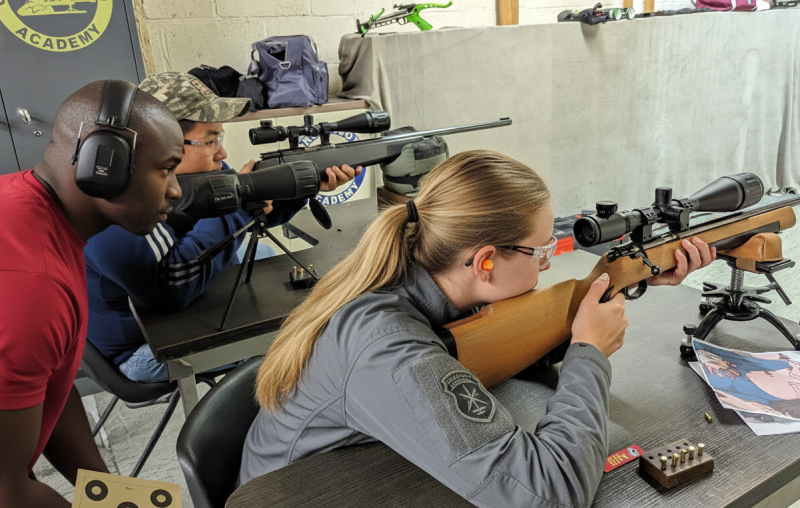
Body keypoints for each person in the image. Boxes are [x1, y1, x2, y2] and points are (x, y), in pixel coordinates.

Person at [238, 150, 716, 505]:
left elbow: (500, 341)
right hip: (307, 492)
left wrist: (620, 281)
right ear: (485, 261)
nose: (547, 267)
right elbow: (550, 492)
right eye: (542, 251)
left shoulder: (416, 269)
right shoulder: (388, 346)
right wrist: (588, 352)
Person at [84, 72, 361, 382]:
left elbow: (256, 217)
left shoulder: (204, 171)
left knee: (272, 265)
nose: (222, 153)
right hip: (143, 348)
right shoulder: (118, 200)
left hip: (192, 303)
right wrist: (239, 204)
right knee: (303, 343)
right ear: (162, 140)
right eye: (210, 140)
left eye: (220, 138)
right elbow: (174, 284)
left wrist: (302, 186)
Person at [0, 80, 185, 507]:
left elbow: (48, 391)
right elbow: (8, 493)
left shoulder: (34, 212)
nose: (175, 189)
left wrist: (109, 494)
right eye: (166, 168)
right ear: (106, 164)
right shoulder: (34, 285)